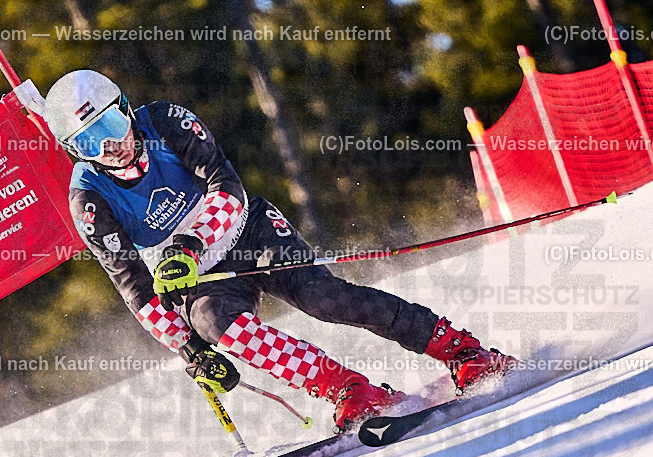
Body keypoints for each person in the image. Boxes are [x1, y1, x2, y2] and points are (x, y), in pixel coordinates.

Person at [43, 70, 513, 433]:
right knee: (211, 324)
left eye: (109, 123)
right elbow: (136, 290)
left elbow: (227, 187)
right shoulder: (90, 200)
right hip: (201, 277)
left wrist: (189, 243)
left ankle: (461, 350)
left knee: (324, 299)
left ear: (125, 107)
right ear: (74, 150)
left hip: (248, 232)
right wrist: (189, 349)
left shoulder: (165, 122)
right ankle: (349, 389)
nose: (109, 146)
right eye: (88, 141)